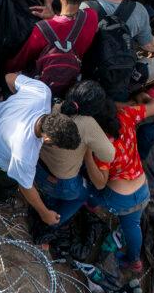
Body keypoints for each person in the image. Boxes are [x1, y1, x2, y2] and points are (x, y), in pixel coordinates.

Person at [0, 72, 81, 225]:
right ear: (47, 138)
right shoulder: (25, 152)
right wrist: (45, 213)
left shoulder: (42, 93)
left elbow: (9, 78)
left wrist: (16, 102)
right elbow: (26, 186)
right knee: (6, 180)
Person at [92, 87, 154, 272]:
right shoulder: (127, 114)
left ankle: (92, 204)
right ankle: (134, 261)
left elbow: (100, 181)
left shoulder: (101, 142)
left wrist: (86, 156)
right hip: (142, 187)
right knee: (133, 225)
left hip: (118, 198)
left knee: (84, 190)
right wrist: (142, 95)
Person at [36, 81, 117, 226]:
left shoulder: (53, 104)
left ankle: (47, 202)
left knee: (51, 193)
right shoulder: (87, 123)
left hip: (37, 168)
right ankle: (53, 223)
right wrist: (88, 149)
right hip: (62, 182)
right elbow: (109, 155)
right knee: (85, 195)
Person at [6, 0, 98, 86]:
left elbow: (20, 61)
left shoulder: (42, 29)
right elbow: (68, 25)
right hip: (71, 78)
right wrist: (53, 17)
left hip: (44, 81)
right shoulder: (92, 16)